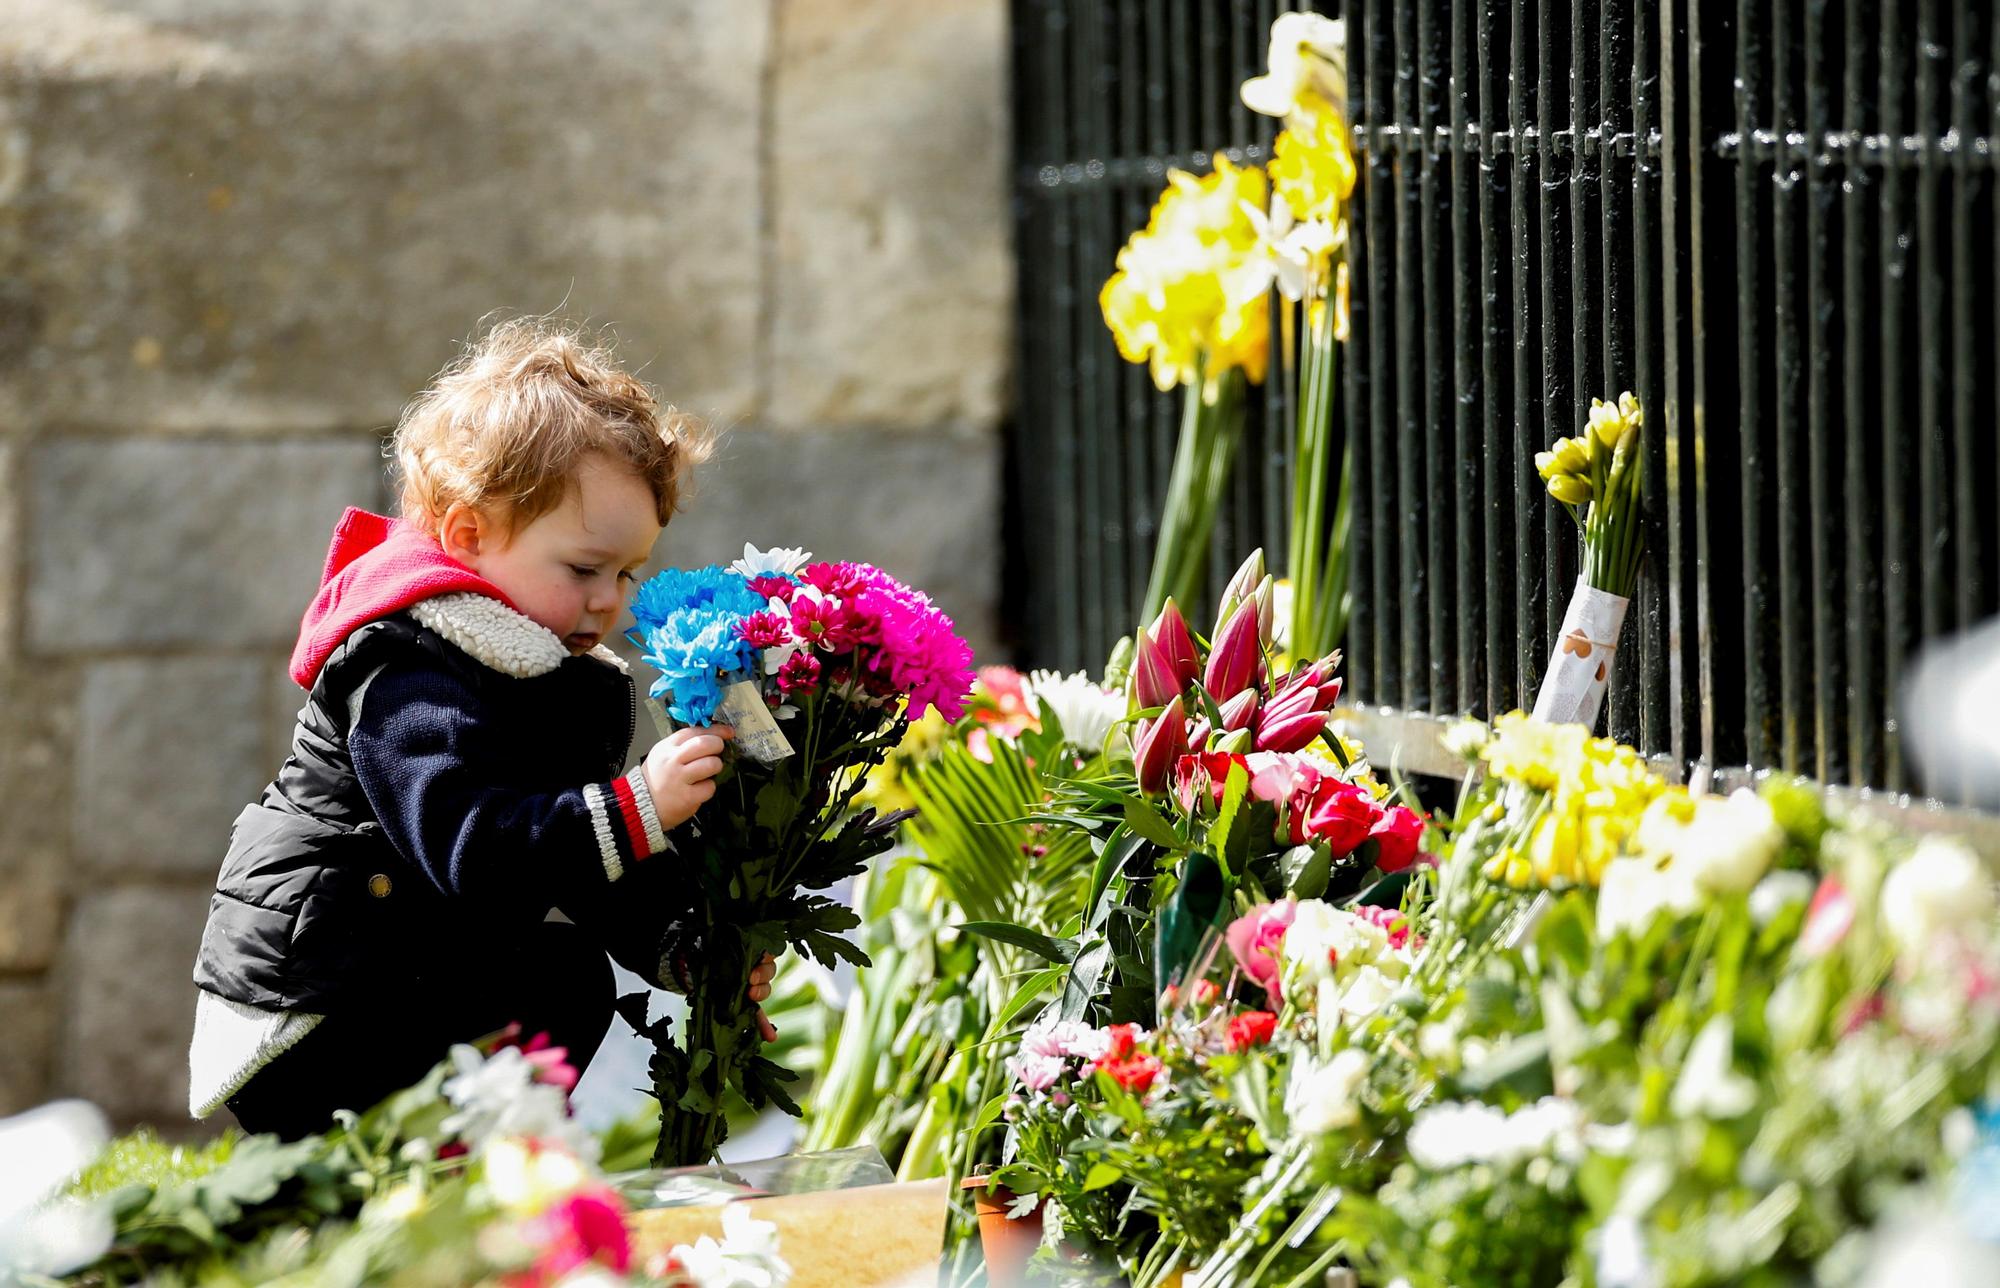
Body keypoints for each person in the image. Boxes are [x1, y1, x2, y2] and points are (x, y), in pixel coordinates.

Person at [186, 317, 774, 1139]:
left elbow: (590, 866)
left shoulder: (538, 673)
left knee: (564, 972)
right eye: (583, 568)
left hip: (398, 966)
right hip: (317, 1006)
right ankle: (455, 1187)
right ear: (468, 536)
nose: (612, 600)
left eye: (628, 571)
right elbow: (481, 852)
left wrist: (688, 944)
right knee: (555, 979)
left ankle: (474, 1187)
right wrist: (639, 805)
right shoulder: (408, 666)